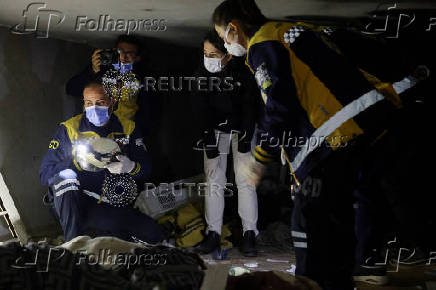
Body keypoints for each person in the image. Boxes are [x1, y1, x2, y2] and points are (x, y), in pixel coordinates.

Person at [212, 0, 421, 288]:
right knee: (345, 212)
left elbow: (279, 105)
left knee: (310, 217)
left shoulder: (263, 45)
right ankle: (345, 276)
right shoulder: (289, 31)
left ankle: (313, 283)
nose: (226, 44)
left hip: (339, 134)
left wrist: (260, 157)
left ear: (233, 27)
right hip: (371, 124)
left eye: (224, 36)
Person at [40, 80, 165, 243]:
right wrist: (75, 163)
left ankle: (102, 234)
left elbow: (146, 169)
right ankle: (73, 245)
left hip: (104, 203)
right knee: (65, 177)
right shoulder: (70, 129)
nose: (94, 108)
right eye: (89, 103)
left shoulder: (127, 128)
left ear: (112, 101)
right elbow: (45, 174)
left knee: (152, 234)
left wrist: (130, 167)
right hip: (74, 200)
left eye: (100, 102)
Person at [192, 30, 261, 257]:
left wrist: (246, 134)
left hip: (241, 127)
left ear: (228, 55)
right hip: (215, 129)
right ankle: (213, 233)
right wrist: (207, 137)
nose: (208, 58)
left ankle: (250, 233)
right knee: (213, 181)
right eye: (205, 53)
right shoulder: (201, 74)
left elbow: (251, 105)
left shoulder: (243, 72)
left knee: (245, 181)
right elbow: (200, 107)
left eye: (213, 54)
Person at [66, 35, 156, 136]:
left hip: (124, 132)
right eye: (120, 52)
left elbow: (149, 114)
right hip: (93, 130)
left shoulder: (144, 79)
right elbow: (71, 89)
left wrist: (137, 137)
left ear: (138, 58)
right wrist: (92, 71)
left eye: (129, 54)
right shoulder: (102, 70)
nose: (123, 57)